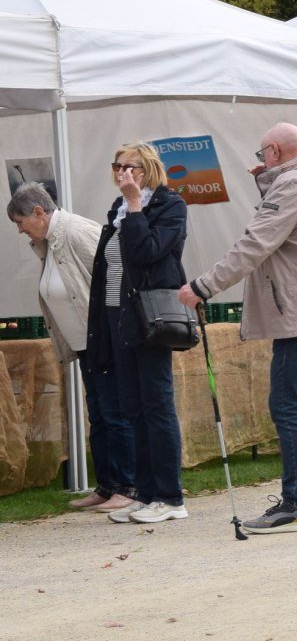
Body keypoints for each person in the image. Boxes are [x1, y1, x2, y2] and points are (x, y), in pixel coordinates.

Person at [181, 123, 297, 534]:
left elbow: (256, 243)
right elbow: (292, 234)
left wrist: (204, 286)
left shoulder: (292, 187)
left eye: (263, 157)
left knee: (288, 405)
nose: (261, 163)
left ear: (274, 152)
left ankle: (295, 506)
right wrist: (267, 184)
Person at [11, 184, 132, 514]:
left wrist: (114, 331)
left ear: (39, 212)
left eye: (20, 221)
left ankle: (128, 486)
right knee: (100, 414)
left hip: (105, 340)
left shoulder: (76, 231)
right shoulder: (48, 242)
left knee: (115, 413)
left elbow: (117, 276)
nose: (20, 229)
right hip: (85, 344)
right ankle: (108, 485)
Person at [89, 143, 187, 525]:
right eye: (116, 166)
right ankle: (145, 494)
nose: (120, 174)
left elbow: (147, 252)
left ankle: (170, 496)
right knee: (132, 407)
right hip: (117, 318)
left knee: (157, 405)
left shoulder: (169, 206)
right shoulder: (117, 209)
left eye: (128, 167)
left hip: (150, 319)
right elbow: (107, 269)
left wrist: (134, 207)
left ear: (145, 171)